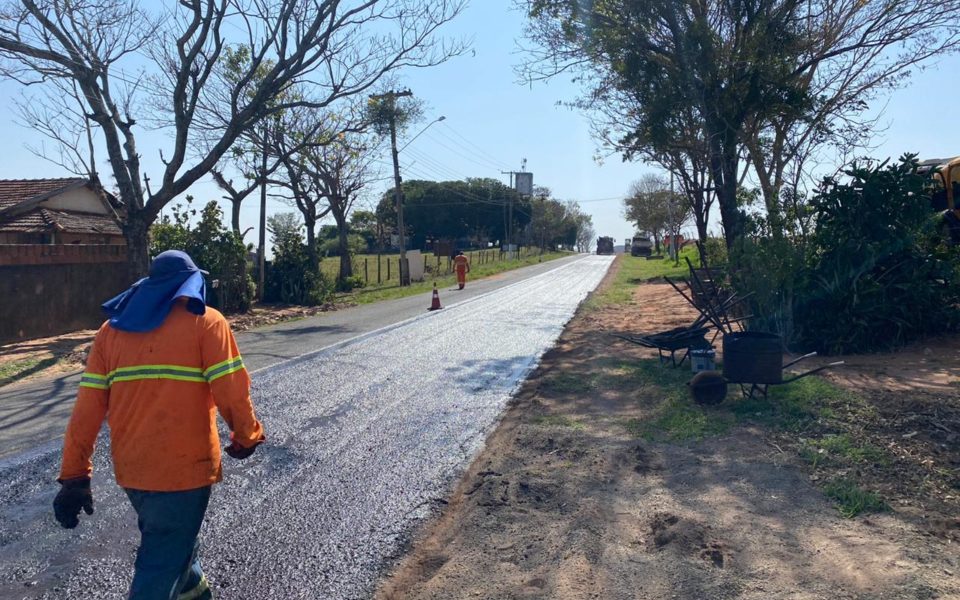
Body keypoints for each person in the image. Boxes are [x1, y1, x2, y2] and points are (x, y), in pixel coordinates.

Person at [53, 250, 266, 600]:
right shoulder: (207, 322)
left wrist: (75, 474)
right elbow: (231, 391)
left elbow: (87, 408)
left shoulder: (111, 332)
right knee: (162, 562)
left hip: (133, 472)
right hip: (185, 471)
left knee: (176, 546)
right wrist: (247, 435)